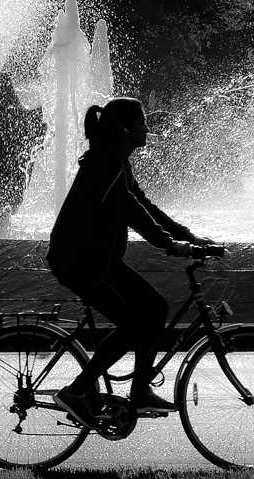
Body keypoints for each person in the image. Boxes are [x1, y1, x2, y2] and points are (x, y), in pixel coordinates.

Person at [47, 96, 215, 428]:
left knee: (155, 308)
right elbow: (132, 211)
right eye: (143, 122)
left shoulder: (118, 161)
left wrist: (189, 237)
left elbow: (144, 204)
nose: (148, 128)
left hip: (98, 259)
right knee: (133, 325)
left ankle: (139, 392)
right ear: (126, 129)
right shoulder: (106, 165)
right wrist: (171, 246)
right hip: (78, 262)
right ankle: (78, 391)